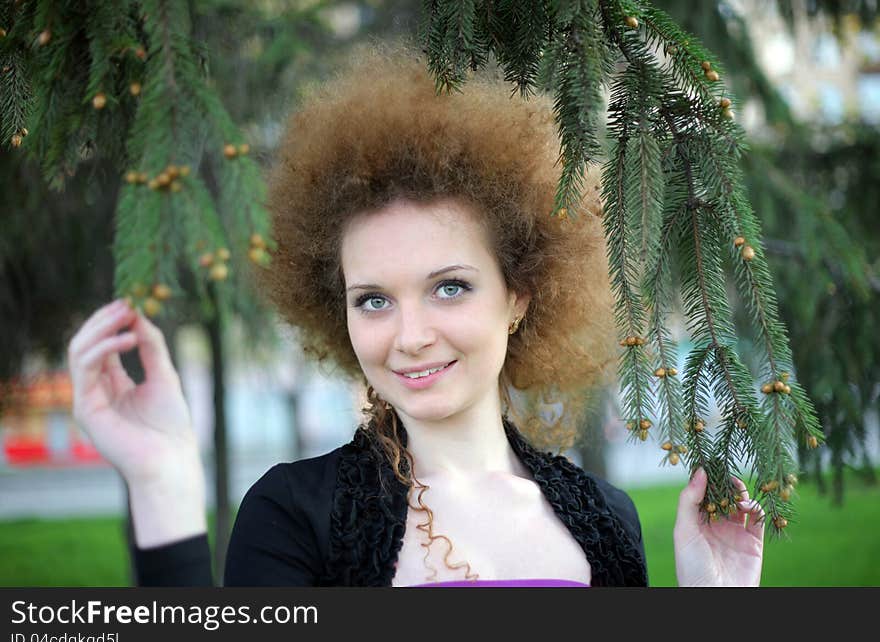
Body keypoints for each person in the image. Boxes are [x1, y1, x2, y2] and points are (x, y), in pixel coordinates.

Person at [66, 45, 764, 587]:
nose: (409, 335)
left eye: (450, 287)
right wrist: (164, 484)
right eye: (373, 299)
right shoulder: (295, 515)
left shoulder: (607, 522)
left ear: (519, 295)